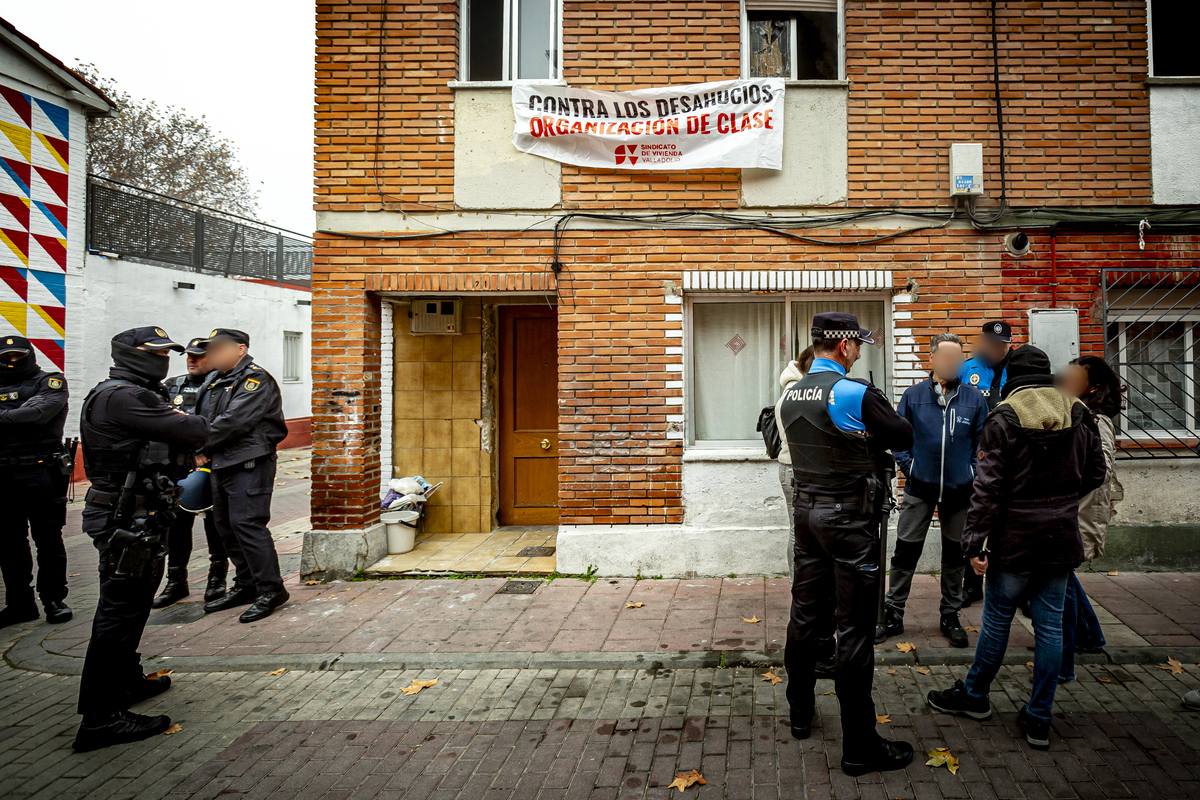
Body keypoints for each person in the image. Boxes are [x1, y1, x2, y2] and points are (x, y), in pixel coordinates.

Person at [926, 345, 1106, 751]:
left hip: (1015, 541)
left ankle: (974, 696)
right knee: (1051, 628)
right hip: (1061, 538)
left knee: (996, 622)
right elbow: (1097, 471)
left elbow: (987, 489)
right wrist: (1061, 501)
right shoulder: (1078, 412)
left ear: (1010, 376)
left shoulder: (1004, 416)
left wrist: (972, 543)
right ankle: (1039, 717)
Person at [778, 312, 915, 776]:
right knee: (854, 627)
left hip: (806, 512)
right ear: (844, 347)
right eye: (858, 344)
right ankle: (860, 746)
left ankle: (800, 713)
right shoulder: (853, 392)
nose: (859, 351)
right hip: (849, 518)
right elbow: (903, 433)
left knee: (805, 613)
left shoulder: (790, 393)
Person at [74, 327, 209, 752]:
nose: (164, 360)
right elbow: (196, 430)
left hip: (140, 513)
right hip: (123, 515)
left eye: (168, 352)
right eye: (155, 353)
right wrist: (186, 420)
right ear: (129, 355)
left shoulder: (136, 392)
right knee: (118, 613)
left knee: (131, 608)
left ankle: (126, 682)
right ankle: (99, 719)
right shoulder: (123, 396)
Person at [880, 333, 988, 648]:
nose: (952, 363)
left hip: (959, 493)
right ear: (932, 359)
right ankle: (894, 612)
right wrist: (909, 467)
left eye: (958, 358)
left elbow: (983, 445)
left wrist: (971, 472)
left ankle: (950, 615)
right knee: (905, 553)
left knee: (955, 556)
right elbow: (898, 437)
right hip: (919, 489)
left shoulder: (974, 398)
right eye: (946, 357)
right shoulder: (913, 397)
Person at [196, 329, 289, 623]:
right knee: (225, 526)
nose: (212, 355)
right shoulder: (213, 381)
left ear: (240, 349)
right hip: (220, 462)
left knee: (247, 524)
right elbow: (201, 419)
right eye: (210, 350)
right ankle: (247, 585)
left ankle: (271, 589)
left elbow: (234, 422)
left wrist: (198, 445)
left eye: (219, 348)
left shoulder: (255, 379)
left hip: (249, 462)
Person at [1057, 355, 1125, 680]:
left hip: (1078, 515)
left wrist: (1064, 485)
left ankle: (1063, 664)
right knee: (1064, 579)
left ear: (1093, 386)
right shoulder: (1078, 414)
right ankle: (1091, 636)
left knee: (1060, 585)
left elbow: (1103, 470)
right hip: (1071, 513)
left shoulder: (1097, 420)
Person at [0, 336, 72, 627]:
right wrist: (16, 416)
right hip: (3, 474)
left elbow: (38, 415)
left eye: (19, 356)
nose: (13, 361)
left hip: (41, 471)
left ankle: (54, 599)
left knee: (48, 538)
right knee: (8, 542)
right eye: (7, 357)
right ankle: (20, 603)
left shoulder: (50, 382)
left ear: (29, 355)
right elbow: (25, 416)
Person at [152, 338, 229, 608]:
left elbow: (224, 425)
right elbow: (162, 423)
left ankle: (217, 579)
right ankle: (176, 581)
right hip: (177, 465)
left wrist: (202, 447)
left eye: (199, 356)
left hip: (212, 464)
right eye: (189, 355)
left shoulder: (224, 385)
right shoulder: (173, 385)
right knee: (176, 525)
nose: (192, 360)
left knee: (215, 524)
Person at [773, 346, 836, 676]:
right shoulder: (801, 392)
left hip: (791, 470)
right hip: (799, 471)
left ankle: (804, 582)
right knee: (804, 536)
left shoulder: (793, 389)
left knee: (799, 532)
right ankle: (805, 584)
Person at [958, 320, 1015, 607]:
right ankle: (972, 586)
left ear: (1008, 345)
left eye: (1000, 345)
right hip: (976, 456)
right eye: (990, 344)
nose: (994, 350)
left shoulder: (1017, 368)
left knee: (1008, 521)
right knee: (976, 516)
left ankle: (1012, 586)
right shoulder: (967, 368)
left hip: (1012, 457)